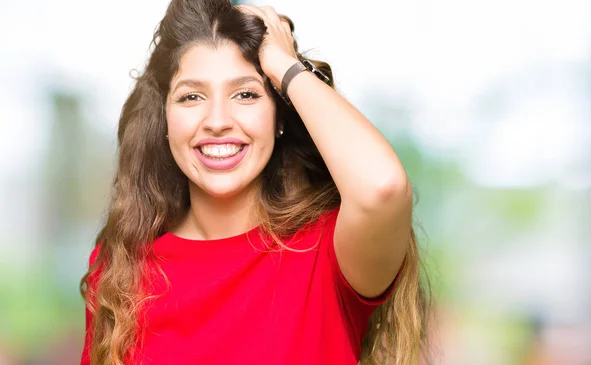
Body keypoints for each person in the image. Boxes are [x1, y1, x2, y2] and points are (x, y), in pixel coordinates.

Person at [80, 1, 429, 364]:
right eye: (191, 96)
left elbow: (382, 187)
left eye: (246, 94)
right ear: (165, 118)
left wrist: (285, 67)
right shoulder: (121, 270)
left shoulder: (326, 253)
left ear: (279, 115)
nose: (217, 120)